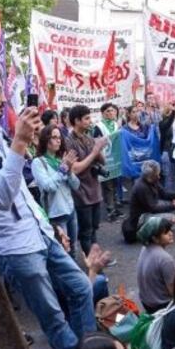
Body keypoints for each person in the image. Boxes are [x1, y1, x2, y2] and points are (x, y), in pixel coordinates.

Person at [0, 66, 95, 349]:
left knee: (81, 288)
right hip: (14, 246)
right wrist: (19, 142)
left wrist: (48, 225)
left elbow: (22, 194)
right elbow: (0, 198)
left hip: (39, 233)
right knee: (54, 318)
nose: (4, 98)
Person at [66, 104, 110, 256]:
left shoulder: (89, 137)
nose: (89, 121)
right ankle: (93, 263)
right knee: (86, 231)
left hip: (94, 190)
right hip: (81, 192)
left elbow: (102, 162)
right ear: (76, 121)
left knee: (94, 229)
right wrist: (95, 151)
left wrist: (100, 148)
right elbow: (75, 169)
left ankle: (96, 259)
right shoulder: (69, 141)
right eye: (86, 118)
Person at [32, 125, 81, 258]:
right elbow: (49, 187)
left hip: (71, 210)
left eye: (59, 137)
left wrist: (69, 171)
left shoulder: (60, 160)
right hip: (56, 215)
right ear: (45, 140)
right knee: (63, 253)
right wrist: (63, 169)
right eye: (54, 137)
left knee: (74, 250)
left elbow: (76, 185)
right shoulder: (38, 163)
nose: (58, 140)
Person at [121, 161, 175, 244]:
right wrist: (172, 206)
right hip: (140, 217)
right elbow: (153, 208)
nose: (159, 176)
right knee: (171, 218)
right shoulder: (141, 187)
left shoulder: (153, 181)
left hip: (146, 210)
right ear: (151, 176)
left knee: (164, 205)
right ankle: (149, 233)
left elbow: (163, 194)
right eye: (157, 174)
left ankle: (155, 228)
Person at [136, 216, 175, 314]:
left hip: (147, 302)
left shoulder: (145, 248)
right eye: (166, 233)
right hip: (162, 305)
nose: (171, 234)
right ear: (155, 238)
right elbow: (174, 292)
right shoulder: (165, 258)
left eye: (170, 230)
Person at [93, 103, 124, 222]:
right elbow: (96, 142)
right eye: (108, 111)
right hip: (105, 159)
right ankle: (110, 211)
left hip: (116, 159)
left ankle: (115, 208)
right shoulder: (99, 126)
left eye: (113, 111)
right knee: (108, 186)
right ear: (103, 113)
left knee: (115, 184)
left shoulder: (116, 125)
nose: (111, 113)